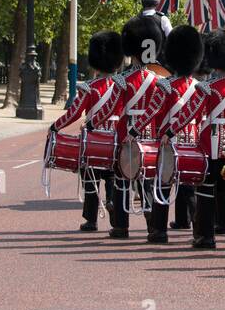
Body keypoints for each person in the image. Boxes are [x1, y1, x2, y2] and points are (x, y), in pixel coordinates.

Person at [165, 29, 225, 249]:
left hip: (210, 143)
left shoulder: (206, 88)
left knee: (206, 189)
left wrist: (170, 132)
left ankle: (206, 237)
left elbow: (190, 114)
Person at [131, 25, 203, 243]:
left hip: (167, 140)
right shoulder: (199, 87)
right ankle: (199, 230)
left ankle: (159, 231)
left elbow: (152, 111)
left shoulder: (165, 86)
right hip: (191, 139)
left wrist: (134, 131)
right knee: (188, 186)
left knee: (162, 184)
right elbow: (199, 116)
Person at [51, 31, 126, 232]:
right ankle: (112, 202)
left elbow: (74, 113)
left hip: (93, 138)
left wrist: (55, 126)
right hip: (116, 137)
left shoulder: (89, 88)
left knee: (90, 178)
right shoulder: (123, 88)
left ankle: (91, 220)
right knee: (113, 177)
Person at [107, 16, 169, 239]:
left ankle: (121, 226)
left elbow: (112, 107)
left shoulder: (123, 80)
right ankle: (151, 218)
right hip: (150, 132)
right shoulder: (159, 80)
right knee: (148, 177)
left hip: (127, 133)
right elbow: (161, 110)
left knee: (123, 176)